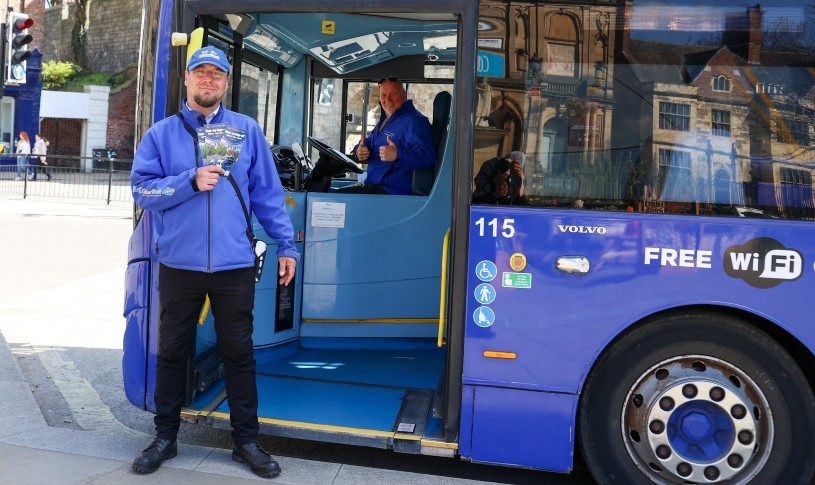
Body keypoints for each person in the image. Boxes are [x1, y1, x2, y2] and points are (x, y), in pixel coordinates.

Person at [129, 46, 298, 479]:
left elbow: (268, 196)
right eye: (200, 73)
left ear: (226, 83)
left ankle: (245, 441)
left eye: (217, 75)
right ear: (187, 79)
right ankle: (164, 437)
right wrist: (190, 180)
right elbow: (142, 192)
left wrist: (287, 246)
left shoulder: (247, 130)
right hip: (180, 264)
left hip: (234, 264)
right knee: (172, 352)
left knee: (239, 353)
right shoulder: (161, 135)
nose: (208, 81)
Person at [339, 76, 435, 194]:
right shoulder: (387, 120)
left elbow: (427, 157)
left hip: (391, 191)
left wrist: (397, 154)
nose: (387, 100)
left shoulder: (415, 121)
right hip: (374, 185)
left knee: (332, 198)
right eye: (383, 95)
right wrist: (359, 151)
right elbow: (369, 142)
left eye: (393, 94)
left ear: (404, 95)